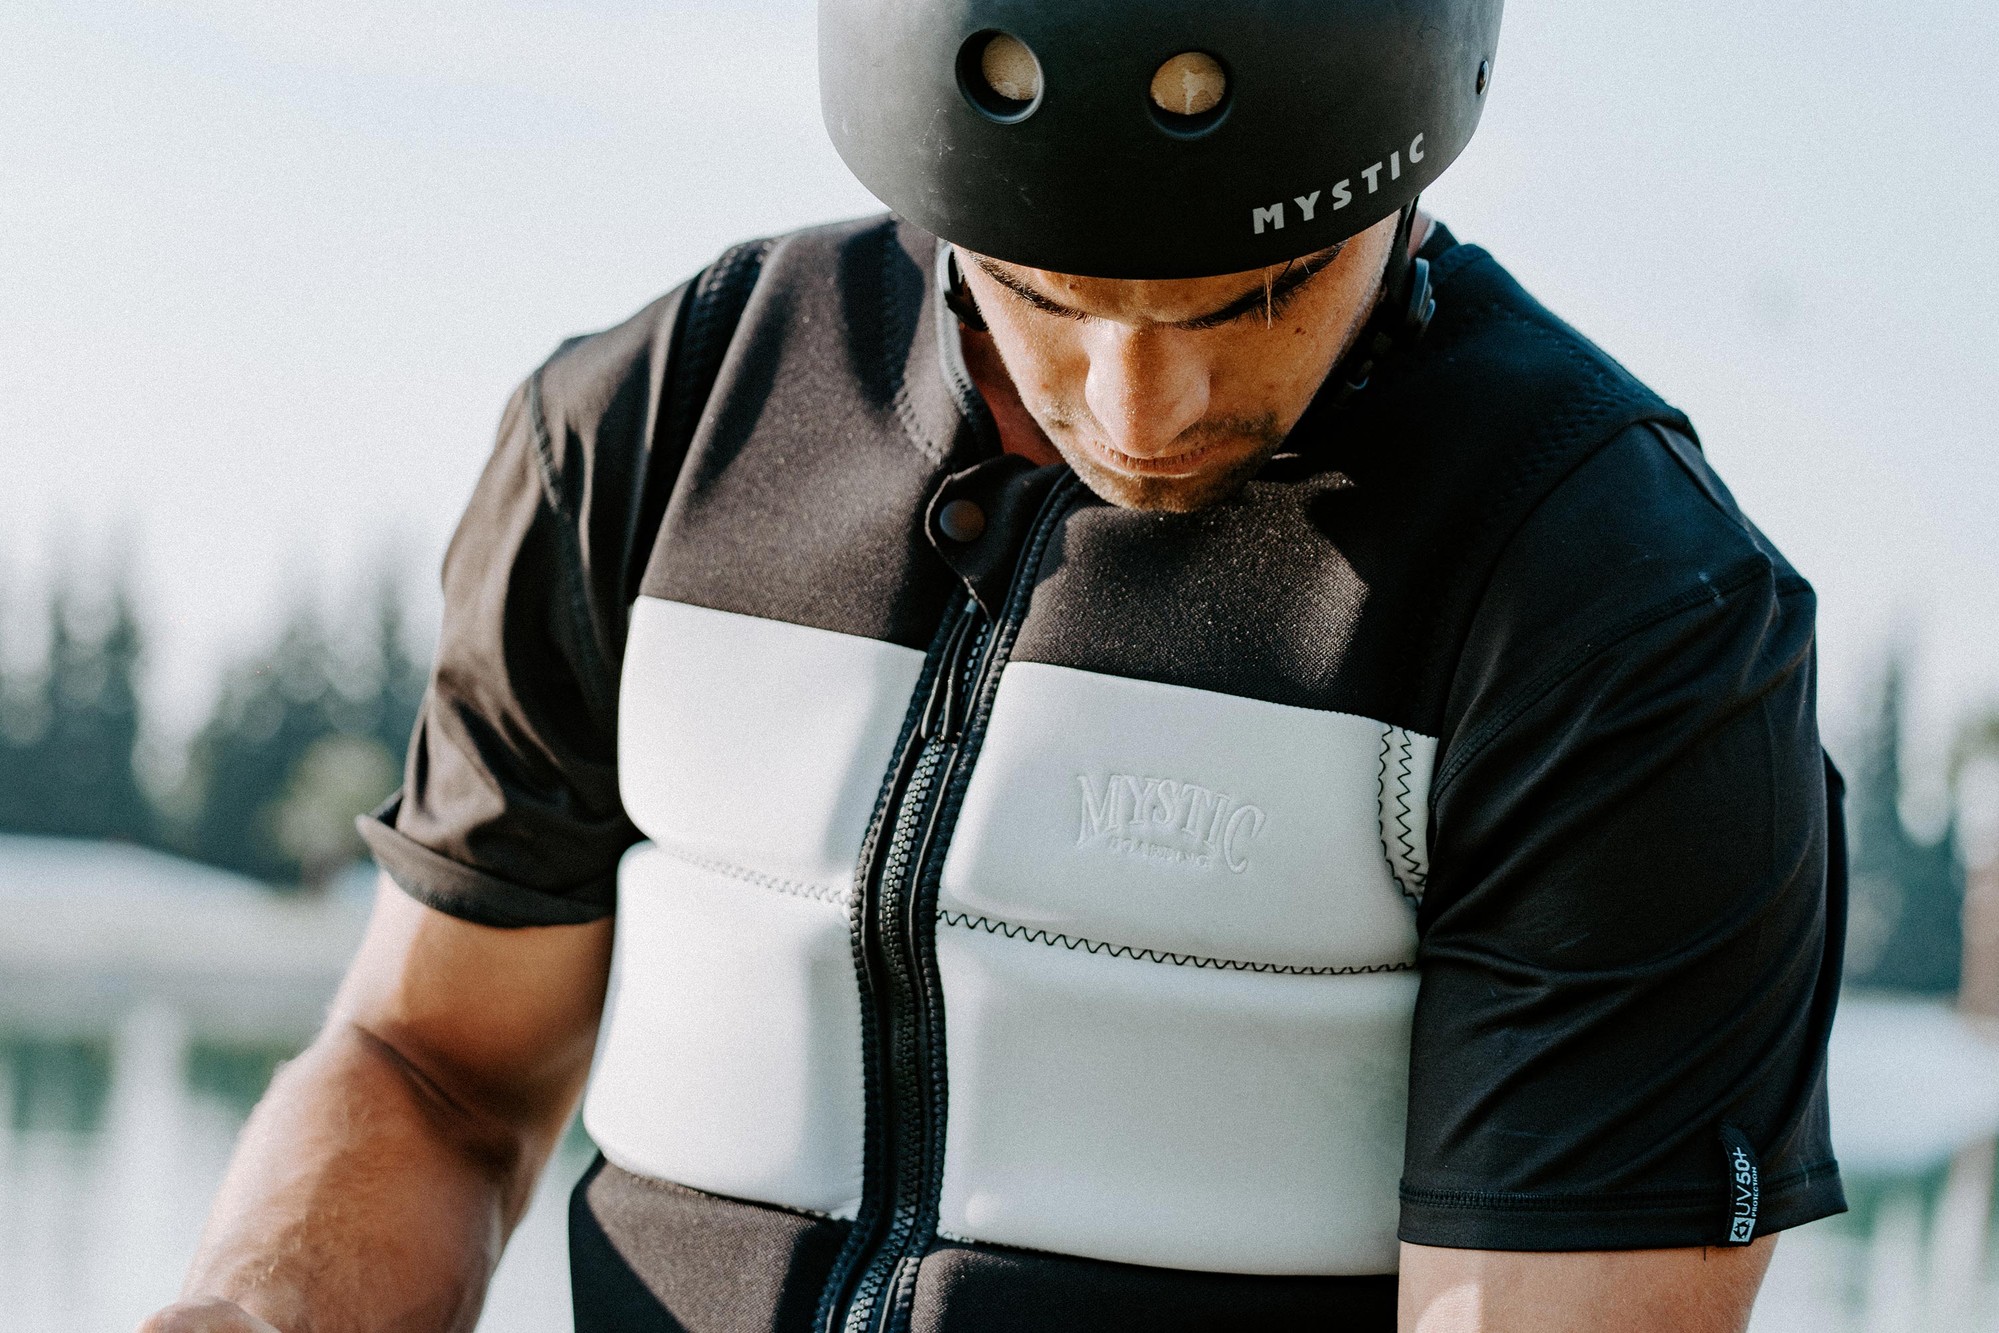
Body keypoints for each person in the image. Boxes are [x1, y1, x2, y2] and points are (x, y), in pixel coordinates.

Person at [143, 1, 1847, 1330]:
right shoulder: (656, 431)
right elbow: (434, 1069)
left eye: (1253, 296)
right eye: (1049, 291)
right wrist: (247, 1311)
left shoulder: (1624, 614)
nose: (1138, 406)